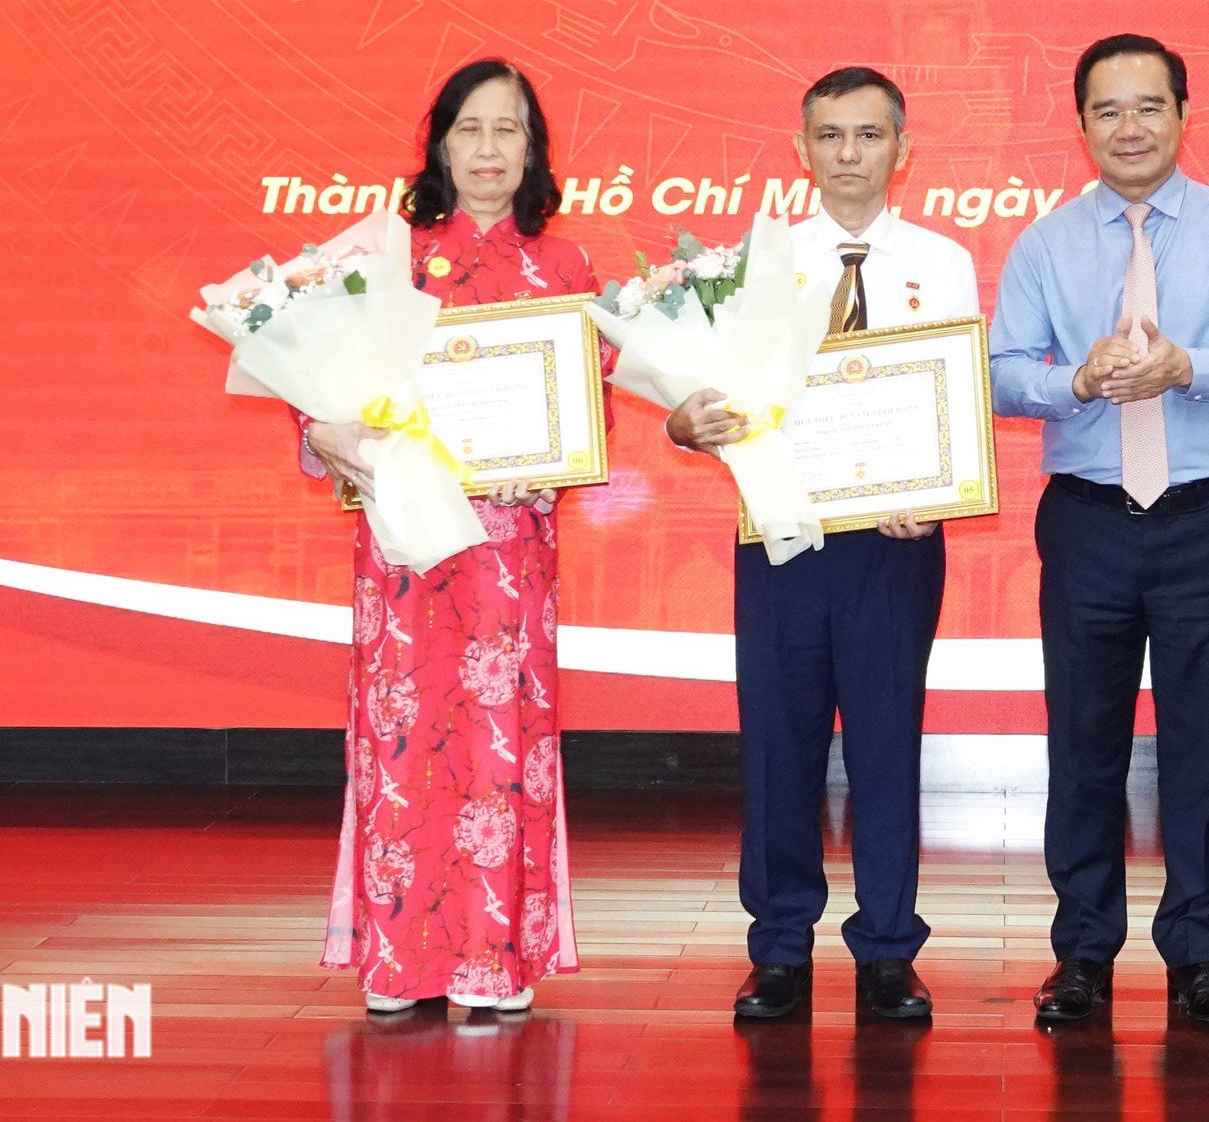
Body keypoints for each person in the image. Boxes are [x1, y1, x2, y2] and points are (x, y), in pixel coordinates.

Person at [990, 34, 1209, 1028]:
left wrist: (1190, 368)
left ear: (1181, 112)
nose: (1128, 128)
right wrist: (1072, 382)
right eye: (1106, 110)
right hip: (1086, 518)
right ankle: (1082, 950)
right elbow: (1001, 368)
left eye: (1147, 106)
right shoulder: (1044, 241)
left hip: (1205, 519)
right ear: (1080, 123)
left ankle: (1197, 956)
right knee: (1082, 746)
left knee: (1201, 744)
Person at [665, 67, 980, 1024]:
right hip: (780, 539)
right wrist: (686, 421)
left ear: (902, 147)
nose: (850, 154)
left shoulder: (943, 262)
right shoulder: (750, 267)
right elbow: (700, 407)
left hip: (895, 542)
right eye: (831, 136)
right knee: (779, 747)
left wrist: (935, 495)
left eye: (870, 135)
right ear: (800, 150)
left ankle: (889, 948)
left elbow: (956, 396)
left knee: (888, 745)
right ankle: (780, 948)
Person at [301, 59, 597, 1016]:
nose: (487, 149)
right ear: (440, 143)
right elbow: (321, 390)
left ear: (532, 149)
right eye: (470, 128)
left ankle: (494, 962)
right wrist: (325, 429)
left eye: (508, 130)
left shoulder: (564, 268)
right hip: (404, 551)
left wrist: (548, 460)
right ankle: (399, 960)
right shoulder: (382, 260)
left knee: (498, 746)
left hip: (510, 553)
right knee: (406, 739)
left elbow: (585, 408)